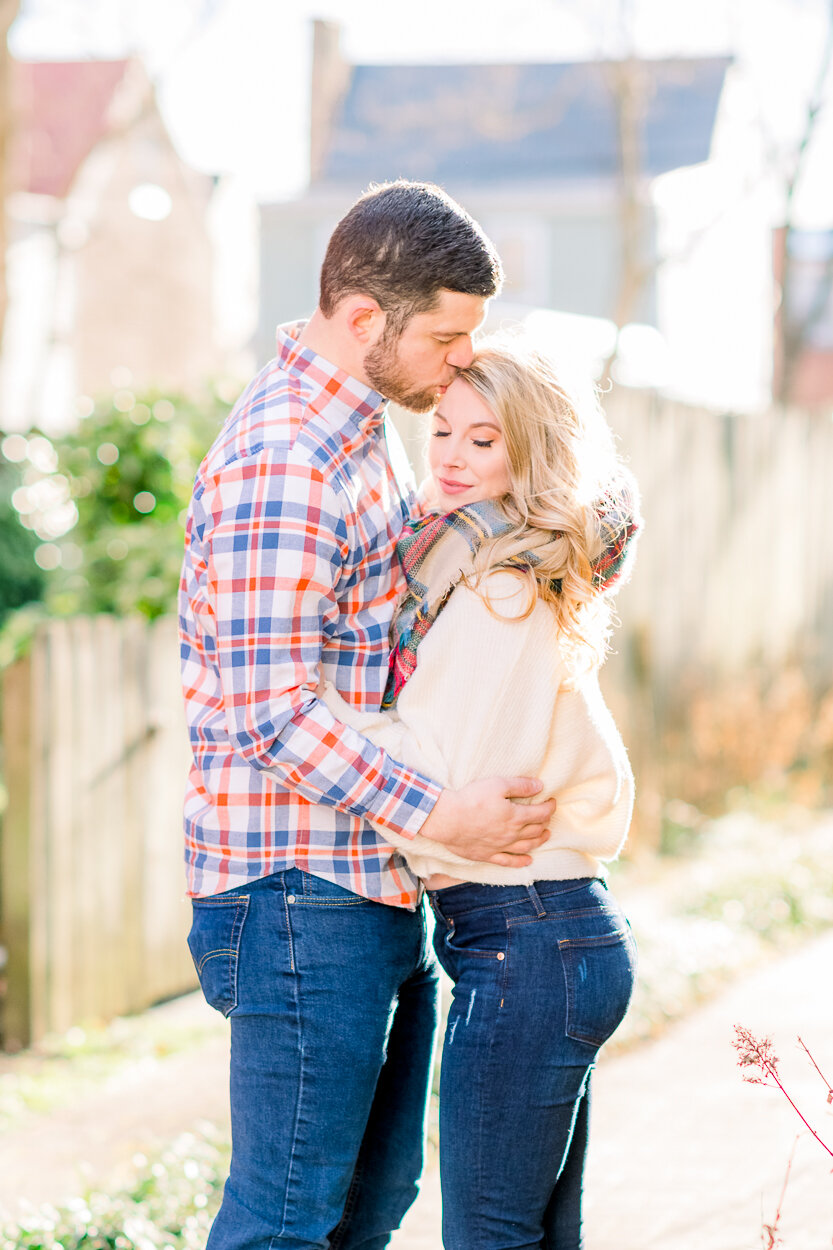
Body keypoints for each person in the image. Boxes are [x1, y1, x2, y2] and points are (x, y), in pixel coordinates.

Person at [178, 181, 557, 1250]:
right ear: (361, 320)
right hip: (297, 892)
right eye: (446, 336)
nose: (456, 360)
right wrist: (447, 812)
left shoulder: (366, 442)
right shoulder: (284, 460)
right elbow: (277, 712)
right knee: (285, 1223)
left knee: (365, 1210)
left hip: (367, 878)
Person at [321, 335, 641, 1249]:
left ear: (528, 456)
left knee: (488, 1238)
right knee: (534, 1237)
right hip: (548, 935)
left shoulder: (498, 587)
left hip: (526, 939)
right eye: (445, 432)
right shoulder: (485, 564)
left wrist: (320, 702)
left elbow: (438, 777)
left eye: (484, 441)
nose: (452, 458)